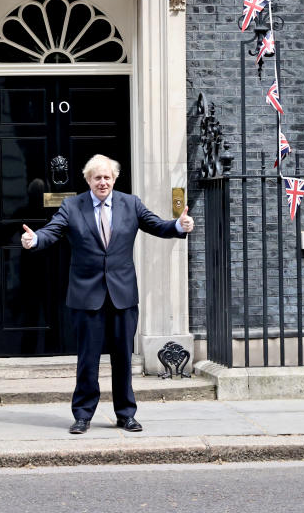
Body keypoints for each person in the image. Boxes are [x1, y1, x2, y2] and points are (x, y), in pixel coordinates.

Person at [21, 154, 194, 434]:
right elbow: (52, 232)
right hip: (87, 296)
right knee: (88, 359)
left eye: (107, 177)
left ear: (114, 179)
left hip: (122, 294)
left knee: (123, 358)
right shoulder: (72, 206)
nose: (102, 182)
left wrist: (178, 225)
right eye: (97, 177)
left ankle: (126, 414)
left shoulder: (131, 204)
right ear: (88, 180)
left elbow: (156, 225)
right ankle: (83, 415)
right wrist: (34, 239)